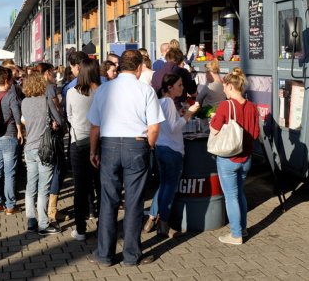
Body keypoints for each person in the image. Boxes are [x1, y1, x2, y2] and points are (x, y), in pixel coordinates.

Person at [87, 49, 165, 266]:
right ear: (139, 68)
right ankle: (131, 255)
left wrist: (93, 151)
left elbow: (94, 126)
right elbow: (154, 127)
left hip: (109, 145)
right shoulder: (146, 90)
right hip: (136, 144)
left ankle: (104, 255)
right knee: (134, 201)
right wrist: (148, 146)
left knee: (108, 201)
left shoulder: (104, 89)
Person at [144, 74, 200, 238]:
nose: (182, 88)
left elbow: (167, 125)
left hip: (161, 148)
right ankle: (164, 224)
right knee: (169, 188)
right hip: (172, 150)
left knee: (164, 186)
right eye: (179, 85)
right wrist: (189, 114)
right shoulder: (168, 102)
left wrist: (181, 114)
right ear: (169, 87)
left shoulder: (160, 102)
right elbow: (174, 128)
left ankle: (152, 218)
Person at [210, 67, 259, 245]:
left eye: (224, 86)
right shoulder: (252, 107)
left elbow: (214, 130)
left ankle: (236, 235)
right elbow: (255, 134)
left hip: (228, 158)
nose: (223, 89)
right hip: (246, 158)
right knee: (239, 193)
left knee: (231, 196)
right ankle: (242, 228)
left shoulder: (225, 106)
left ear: (230, 86)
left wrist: (213, 119)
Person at [21, 73, 63, 235]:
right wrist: (54, 124)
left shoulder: (24, 102)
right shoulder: (45, 101)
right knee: (43, 188)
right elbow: (59, 120)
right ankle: (43, 224)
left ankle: (31, 220)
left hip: (29, 148)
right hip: (44, 148)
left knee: (30, 186)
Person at [66, 58, 102, 241]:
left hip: (78, 142)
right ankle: (103, 226)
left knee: (80, 188)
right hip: (100, 141)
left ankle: (80, 229)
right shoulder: (101, 92)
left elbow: (69, 116)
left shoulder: (71, 92)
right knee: (100, 185)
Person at [0, 67, 23, 215]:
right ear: (7, 80)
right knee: (9, 173)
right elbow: (17, 115)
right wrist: (20, 131)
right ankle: (10, 206)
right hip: (9, 136)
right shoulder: (10, 95)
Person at [35, 62, 67, 225]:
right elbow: (56, 110)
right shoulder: (49, 88)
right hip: (52, 135)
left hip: (37, 135)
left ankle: (43, 208)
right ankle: (52, 210)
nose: (55, 75)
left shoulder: (34, 88)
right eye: (53, 73)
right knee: (58, 168)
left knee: (44, 171)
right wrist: (62, 124)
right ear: (47, 73)